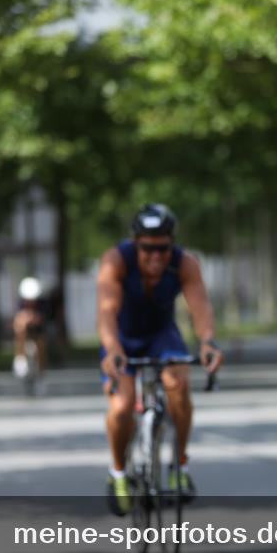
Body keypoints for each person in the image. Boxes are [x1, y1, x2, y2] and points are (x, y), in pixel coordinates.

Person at [97, 203, 224, 516]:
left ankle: (180, 464)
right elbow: (106, 311)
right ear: (135, 244)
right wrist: (112, 349)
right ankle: (118, 473)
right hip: (122, 339)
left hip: (162, 336)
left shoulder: (185, 264)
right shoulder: (116, 261)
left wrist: (207, 342)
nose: (155, 256)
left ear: (172, 244)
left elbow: (200, 307)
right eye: (147, 249)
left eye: (163, 249)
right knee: (121, 406)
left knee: (177, 384)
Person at [12, 276, 46, 379]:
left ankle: (41, 370)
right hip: (24, 333)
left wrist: (29, 318)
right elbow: (18, 320)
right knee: (20, 328)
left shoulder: (42, 304)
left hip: (38, 332)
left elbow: (40, 319)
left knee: (41, 344)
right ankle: (20, 358)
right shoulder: (20, 303)